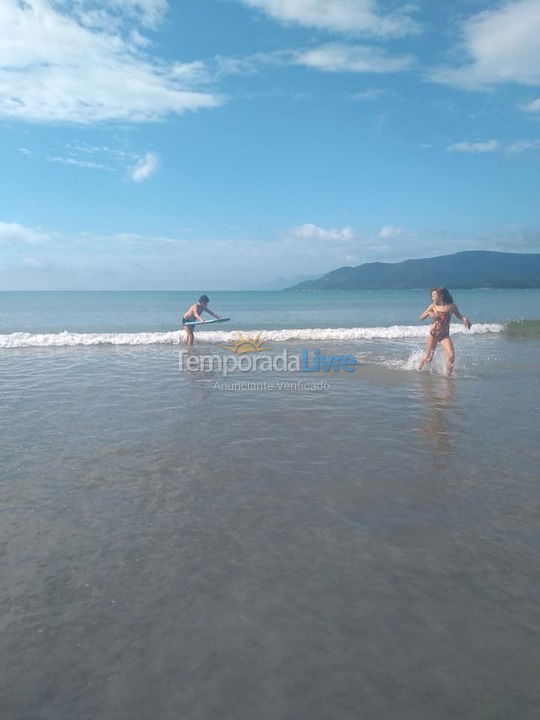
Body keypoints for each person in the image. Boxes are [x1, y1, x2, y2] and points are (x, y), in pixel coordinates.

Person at [418, 287, 471, 375]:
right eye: (432, 296)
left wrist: (464, 319)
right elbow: (421, 318)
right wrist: (428, 313)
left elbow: (459, 316)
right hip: (433, 333)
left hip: (444, 335)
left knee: (451, 356)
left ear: (441, 296)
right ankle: (418, 370)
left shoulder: (451, 306)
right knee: (428, 358)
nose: (432, 298)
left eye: (434, 296)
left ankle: (448, 376)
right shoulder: (433, 306)